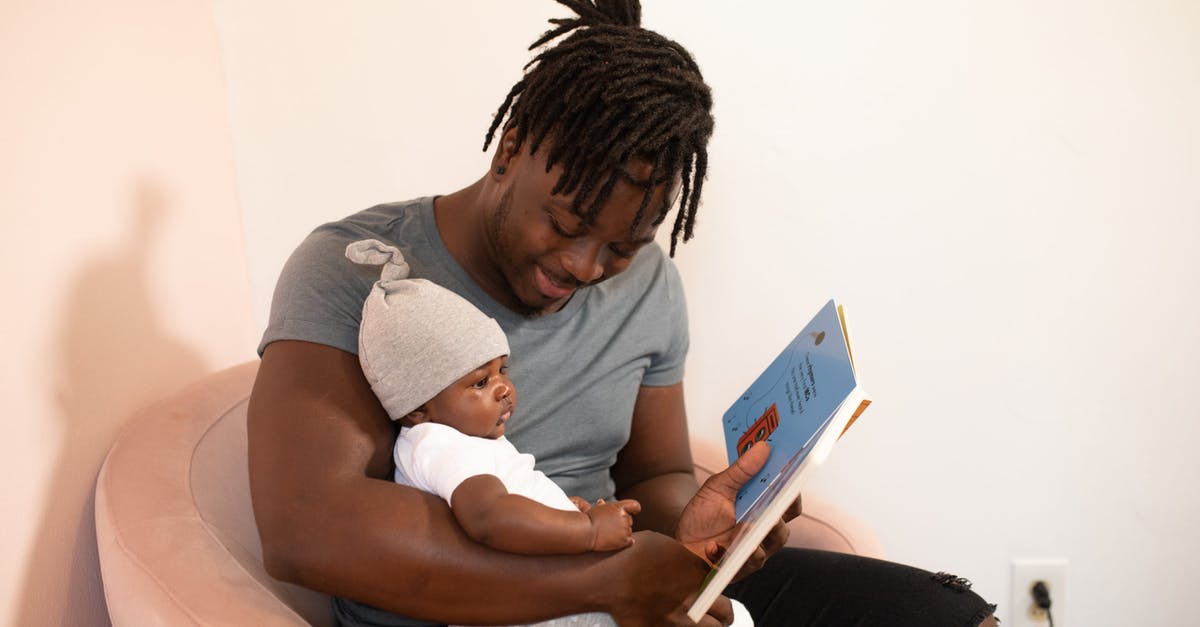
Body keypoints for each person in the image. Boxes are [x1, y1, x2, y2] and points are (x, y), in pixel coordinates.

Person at [247, 1, 999, 626]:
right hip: (480, 608)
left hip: (618, 580)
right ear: (512, 147)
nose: (584, 268)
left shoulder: (649, 287)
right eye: (568, 225)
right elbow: (307, 528)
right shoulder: (358, 270)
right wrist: (600, 584)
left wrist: (700, 520)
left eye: (623, 246)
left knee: (946, 617)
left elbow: (657, 472)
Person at [344, 237, 638, 627]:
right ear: (417, 408)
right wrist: (585, 531)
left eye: (503, 370)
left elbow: (509, 500)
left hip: (537, 593)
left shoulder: (464, 440)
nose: (503, 387)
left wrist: (561, 510)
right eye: (480, 382)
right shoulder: (439, 443)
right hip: (525, 606)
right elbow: (489, 517)